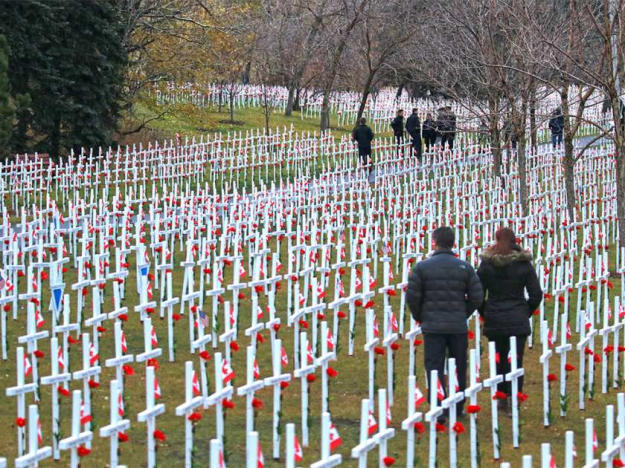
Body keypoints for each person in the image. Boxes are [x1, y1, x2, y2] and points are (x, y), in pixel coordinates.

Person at [406, 227, 484, 419]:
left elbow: (413, 297)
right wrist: (462, 313)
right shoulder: (464, 267)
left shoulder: (422, 267)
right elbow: (477, 296)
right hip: (457, 326)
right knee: (458, 364)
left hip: (432, 326)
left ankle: (438, 406)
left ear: (434, 242)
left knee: (434, 365)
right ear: (453, 243)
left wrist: (422, 316)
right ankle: (457, 407)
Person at [477, 228, 543, 416]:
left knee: (498, 358)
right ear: (515, 240)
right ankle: (515, 398)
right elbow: (536, 294)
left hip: (495, 317)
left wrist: (486, 312)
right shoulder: (524, 264)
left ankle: (502, 397)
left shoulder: (487, 265)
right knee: (516, 359)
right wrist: (524, 312)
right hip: (517, 317)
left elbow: (478, 294)